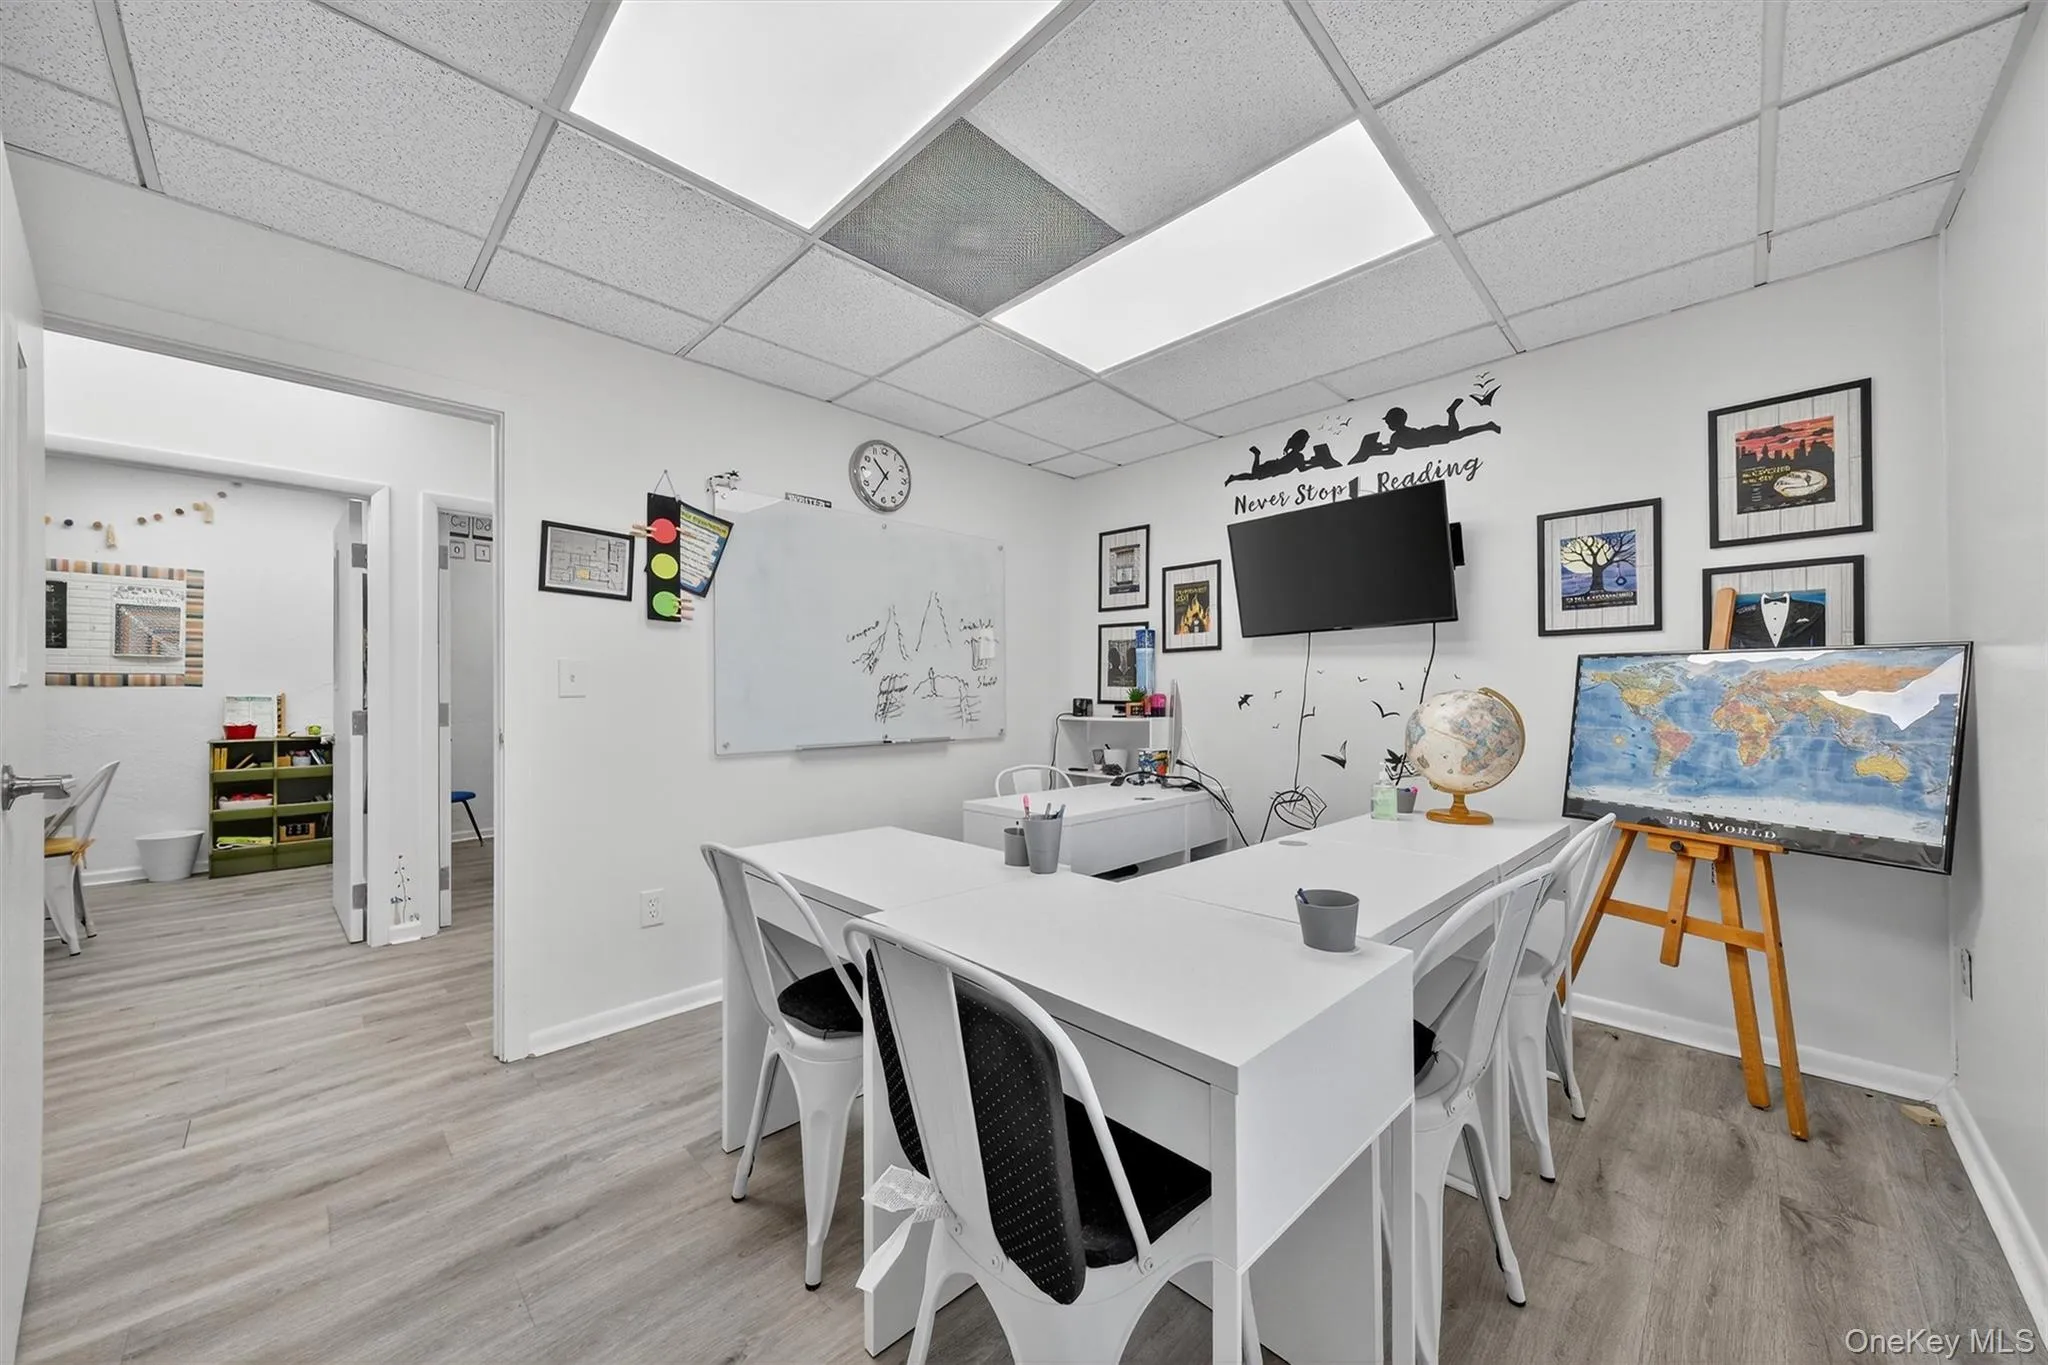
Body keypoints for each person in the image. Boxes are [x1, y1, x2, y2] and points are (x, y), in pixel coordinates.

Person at [1383, 397, 1499, 451]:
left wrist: (1378, 448)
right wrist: (1381, 446)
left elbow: (1391, 450)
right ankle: (1488, 426)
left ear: (1395, 422)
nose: (1388, 425)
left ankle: (1451, 412)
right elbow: (1392, 448)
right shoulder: (1396, 437)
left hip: (1431, 436)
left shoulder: (1396, 437)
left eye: (1389, 422)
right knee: (1458, 433)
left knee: (1457, 433)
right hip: (1431, 434)